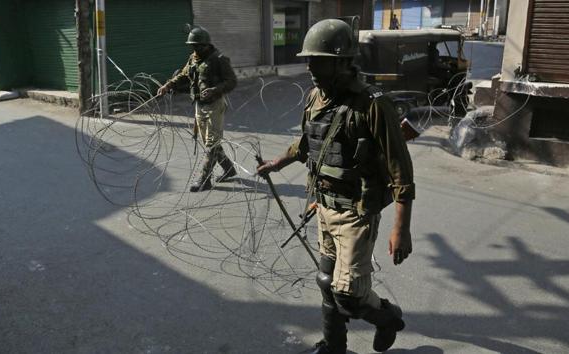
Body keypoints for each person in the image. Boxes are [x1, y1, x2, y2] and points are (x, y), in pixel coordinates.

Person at [256, 19, 415, 353]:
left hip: (356, 214)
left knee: (349, 295)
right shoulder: (315, 97)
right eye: (309, 59)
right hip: (324, 206)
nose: (310, 66)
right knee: (326, 282)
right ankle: (333, 346)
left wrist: (401, 229)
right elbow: (307, 144)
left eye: (319, 59)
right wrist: (277, 163)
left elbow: (401, 172)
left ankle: (388, 318)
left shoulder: (373, 105)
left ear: (343, 61)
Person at [158, 26, 238, 192]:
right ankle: (229, 169)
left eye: (198, 46)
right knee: (209, 141)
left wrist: (215, 89)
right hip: (199, 105)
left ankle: (204, 179)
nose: (196, 49)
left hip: (214, 105)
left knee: (211, 143)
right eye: (193, 46)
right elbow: (184, 75)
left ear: (207, 45)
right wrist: (168, 85)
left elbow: (232, 82)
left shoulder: (219, 59)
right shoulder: (193, 59)